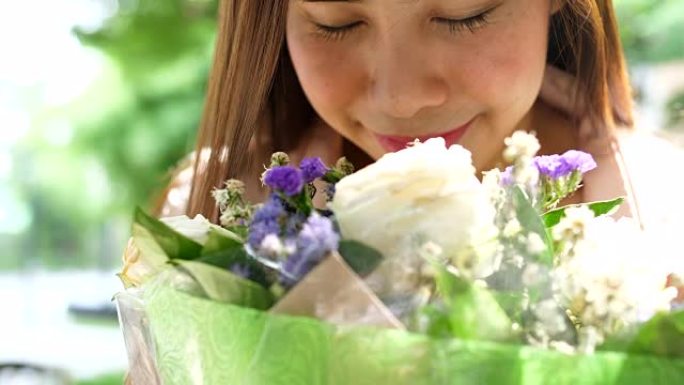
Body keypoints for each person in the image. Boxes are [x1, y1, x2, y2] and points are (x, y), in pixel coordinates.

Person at [161, 0, 639, 222]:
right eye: (337, 24)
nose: (400, 97)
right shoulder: (207, 218)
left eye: (463, 14)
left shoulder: (662, 217)